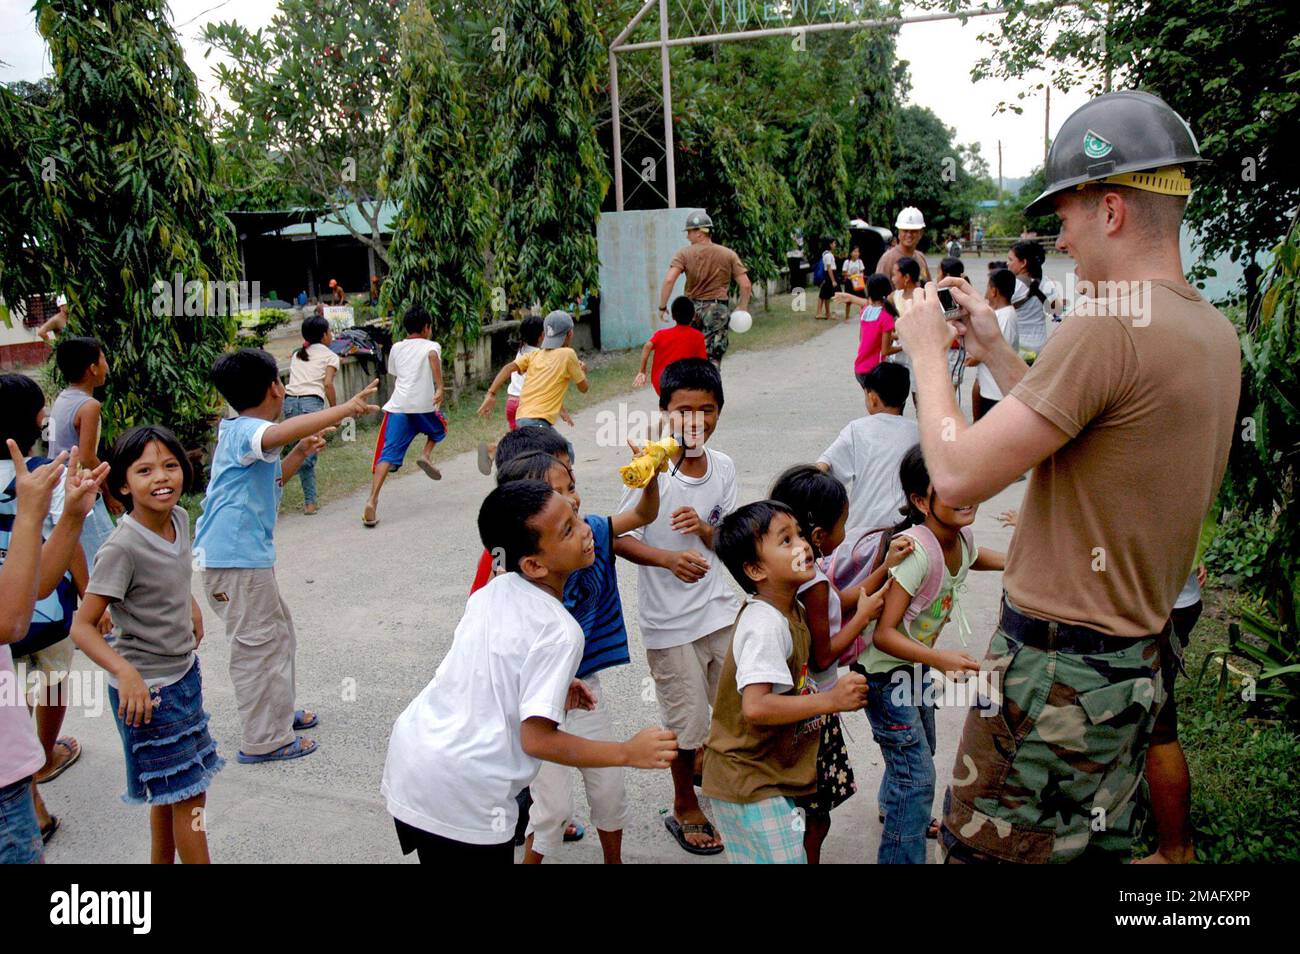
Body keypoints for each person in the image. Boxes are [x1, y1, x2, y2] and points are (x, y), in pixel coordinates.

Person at [893, 89, 1240, 863]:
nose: (1061, 237)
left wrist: (923, 350)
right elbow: (1091, 436)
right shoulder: (1208, 331)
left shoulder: (1107, 321)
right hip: (1130, 667)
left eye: (1068, 214)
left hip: (1053, 674)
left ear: (1111, 209)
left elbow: (952, 480)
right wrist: (996, 353)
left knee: (984, 853)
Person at [380, 481, 677, 864]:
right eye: (568, 530)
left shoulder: (493, 590)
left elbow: (494, 661)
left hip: (414, 761)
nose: (586, 530)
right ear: (534, 565)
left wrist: (554, 683)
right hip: (464, 792)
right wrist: (626, 752)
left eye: (576, 517)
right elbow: (537, 740)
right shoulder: (560, 630)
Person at [194, 348, 379, 764]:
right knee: (256, 646)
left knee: (276, 637)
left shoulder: (241, 435)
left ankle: (277, 714)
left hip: (244, 561)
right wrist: (343, 409)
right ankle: (265, 739)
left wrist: (298, 454)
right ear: (275, 388)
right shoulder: (246, 430)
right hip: (234, 562)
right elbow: (277, 433)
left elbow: (270, 478)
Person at [495, 450, 660, 865]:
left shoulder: (594, 533)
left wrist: (652, 475)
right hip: (535, 700)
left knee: (608, 787)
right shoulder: (514, 571)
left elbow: (644, 513)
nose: (571, 500)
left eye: (572, 487)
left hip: (583, 686)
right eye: (555, 493)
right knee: (551, 808)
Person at [70, 426, 222, 863]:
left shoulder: (178, 518)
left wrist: (190, 603)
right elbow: (82, 627)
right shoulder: (121, 548)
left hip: (182, 677)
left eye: (170, 465)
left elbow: (172, 572)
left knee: (172, 793)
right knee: (191, 802)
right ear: (122, 483)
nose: (162, 477)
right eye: (145, 470)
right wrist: (125, 672)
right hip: (148, 694)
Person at [613, 358, 739, 855]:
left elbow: (729, 533)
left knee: (736, 707)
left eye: (705, 411)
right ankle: (684, 803)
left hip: (720, 611)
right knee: (686, 725)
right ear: (664, 412)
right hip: (670, 626)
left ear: (719, 413)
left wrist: (705, 530)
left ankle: (726, 777)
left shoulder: (724, 466)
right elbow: (619, 538)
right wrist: (667, 559)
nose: (695, 421)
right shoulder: (651, 468)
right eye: (683, 410)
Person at [701, 501, 870, 864]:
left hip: (765, 774)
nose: (803, 545)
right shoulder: (765, 625)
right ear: (755, 569)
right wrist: (830, 700)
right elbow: (757, 706)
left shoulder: (792, 610)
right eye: (786, 540)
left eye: (800, 534)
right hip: (746, 777)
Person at [862, 444, 1004, 863]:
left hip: (913, 669)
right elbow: (884, 636)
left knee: (917, 749)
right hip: (886, 676)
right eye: (949, 489)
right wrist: (939, 660)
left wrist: (1016, 563)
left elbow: (973, 558)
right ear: (921, 501)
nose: (965, 495)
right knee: (919, 779)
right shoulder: (916, 553)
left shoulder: (958, 536)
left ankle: (896, 809)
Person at [768, 465, 904, 862]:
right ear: (819, 537)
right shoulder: (809, 585)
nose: (847, 530)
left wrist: (883, 569)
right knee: (815, 814)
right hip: (816, 710)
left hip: (811, 705)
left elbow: (838, 599)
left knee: (807, 811)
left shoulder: (807, 575)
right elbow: (822, 654)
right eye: (844, 522)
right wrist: (864, 618)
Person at [0, 374, 108, 845]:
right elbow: (68, 547)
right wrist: (90, 597)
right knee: (53, 682)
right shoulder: (47, 474)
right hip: (43, 614)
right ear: (36, 421)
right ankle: (43, 757)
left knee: (12, 693)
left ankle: (31, 789)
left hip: (16, 621)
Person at [0, 443, 77, 864]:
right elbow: (9, 621)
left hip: (11, 769)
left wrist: (73, 516)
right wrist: (29, 516)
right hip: (4, 785)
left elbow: (36, 588)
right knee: (51, 681)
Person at [1139, 561, 1206, 865]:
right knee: (1143, 718)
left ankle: (1175, 850)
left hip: (1152, 606)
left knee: (1157, 728)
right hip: (1169, 599)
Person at [365, 305, 445, 527]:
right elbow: (431, 356)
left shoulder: (397, 347)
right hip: (423, 405)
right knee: (439, 429)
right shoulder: (432, 345)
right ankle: (426, 455)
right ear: (427, 327)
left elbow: (396, 373)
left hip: (398, 406)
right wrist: (440, 387)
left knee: (387, 453)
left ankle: (372, 500)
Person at [818, 362, 918, 532]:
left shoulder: (856, 430)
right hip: (907, 530)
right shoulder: (918, 432)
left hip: (859, 531)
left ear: (872, 398)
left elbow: (824, 466)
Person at [478, 310, 586, 462]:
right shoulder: (546, 355)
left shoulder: (523, 352)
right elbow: (546, 386)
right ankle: (561, 481)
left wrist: (491, 393)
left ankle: (497, 451)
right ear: (542, 335)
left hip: (514, 405)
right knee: (564, 451)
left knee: (523, 444)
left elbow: (509, 368)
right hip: (530, 409)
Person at [48, 336, 118, 557]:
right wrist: (110, 494)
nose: (107, 365)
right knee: (104, 556)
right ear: (93, 368)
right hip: (81, 486)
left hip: (59, 484)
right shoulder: (89, 406)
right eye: (103, 359)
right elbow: (87, 457)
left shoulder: (63, 397)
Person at [657, 210, 752, 365]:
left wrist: (662, 307)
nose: (687, 236)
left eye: (689, 232)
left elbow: (669, 280)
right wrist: (742, 308)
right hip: (716, 311)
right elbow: (746, 285)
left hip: (690, 311)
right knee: (713, 359)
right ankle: (712, 387)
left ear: (700, 233)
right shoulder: (728, 254)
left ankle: (690, 386)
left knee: (689, 356)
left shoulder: (683, 254)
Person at [285, 315, 340, 515]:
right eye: (330, 331)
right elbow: (327, 384)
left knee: (301, 451)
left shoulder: (297, 354)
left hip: (290, 403)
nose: (332, 335)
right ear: (324, 335)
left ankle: (309, 501)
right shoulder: (330, 356)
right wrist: (335, 411)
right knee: (307, 454)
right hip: (311, 404)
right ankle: (308, 502)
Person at [967, 268, 1019, 421]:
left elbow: (995, 349)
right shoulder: (999, 314)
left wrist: (974, 358)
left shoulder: (1006, 317)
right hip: (989, 388)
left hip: (996, 392)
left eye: (988, 287)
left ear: (994, 291)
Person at [835, 273, 901, 388]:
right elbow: (885, 351)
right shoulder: (886, 317)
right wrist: (903, 347)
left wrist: (896, 336)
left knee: (871, 402)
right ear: (888, 291)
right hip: (874, 370)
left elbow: (866, 337)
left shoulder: (865, 311)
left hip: (860, 368)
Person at [634, 296, 707, 394]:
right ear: (694, 315)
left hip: (662, 383)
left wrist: (642, 371)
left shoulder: (661, 334)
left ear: (673, 316)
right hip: (685, 386)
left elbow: (647, 346)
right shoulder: (698, 337)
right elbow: (702, 363)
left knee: (667, 404)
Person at [1007, 239, 1061, 355]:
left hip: (1017, 349)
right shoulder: (1048, 283)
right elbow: (1058, 314)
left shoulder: (1012, 286)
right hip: (1040, 349)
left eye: (1010, 260)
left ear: (1023, 263)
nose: (1007, 263)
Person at [883, 256, 923, 405]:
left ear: (906, 277)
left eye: (895, 274)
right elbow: (876, 306)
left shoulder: (922, 297)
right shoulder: (895, 296)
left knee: (918, 396)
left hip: (916, 355)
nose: (892, 279)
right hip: (898, 355)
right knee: (895, 396)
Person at [875, 207, 931, 284]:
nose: (909, 235)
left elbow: (929, 286)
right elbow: (878, 292)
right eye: (905, 230)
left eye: (913, 231)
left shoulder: (920, 258)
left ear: (920, 233)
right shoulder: (888, 259)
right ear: (899, 233)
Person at [816, 239, 839, 321]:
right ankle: (827, 313)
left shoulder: (827, 254)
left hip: (829, 275)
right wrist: (833, 280)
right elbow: (829, 268)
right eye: (834, 243)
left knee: (824, 294)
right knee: (827, 296)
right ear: (829, 244)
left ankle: (823, 313)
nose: (835, 245)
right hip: (829, 276)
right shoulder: (828, 255)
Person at [841, 246, 866, 321]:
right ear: (851, 253)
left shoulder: (860, 261)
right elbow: (844, 273)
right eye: (854, 251)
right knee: (848, 301)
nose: (856, 253)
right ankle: (847, 317)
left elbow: (862, 271)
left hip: (858, 282)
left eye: (857, 251)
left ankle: (863, 316)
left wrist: (860, 275)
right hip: (849, 282)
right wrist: (851, 275)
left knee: (862, 299)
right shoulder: (847, 262)